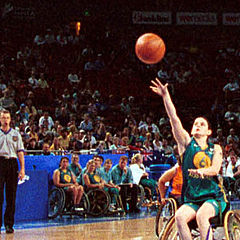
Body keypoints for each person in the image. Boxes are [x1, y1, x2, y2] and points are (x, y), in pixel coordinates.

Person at [150, 78, 227, 240]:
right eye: (195, 123)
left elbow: (214, 169)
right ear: (191, 130)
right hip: (191, 198)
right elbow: (174, 118)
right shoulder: (186, 144)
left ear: (209, 132)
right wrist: (165, 96)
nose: (198, 125)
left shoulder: (215, 149)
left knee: (201, 216)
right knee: (179, 217)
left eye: (202, 124)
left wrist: (200, 172)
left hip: (212, 197)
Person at [0, 109, 25, 233]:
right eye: (3, 118)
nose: (5, 120)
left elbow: (20, 151)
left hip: (12, 163)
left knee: (11, 196)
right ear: (0, 119)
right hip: (0, 162)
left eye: (7, 118)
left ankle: (9, 224)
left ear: (10, 119)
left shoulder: (16, 134)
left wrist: (22, 169)